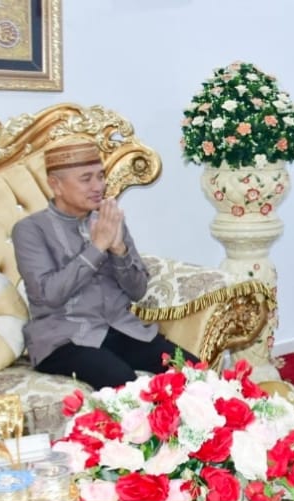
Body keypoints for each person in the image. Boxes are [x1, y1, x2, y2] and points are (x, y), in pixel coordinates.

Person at [13, 139, 199, 390]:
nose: (98, 186)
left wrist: (119, 250)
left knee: (195, 373)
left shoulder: (109, 219)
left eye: (100, 176)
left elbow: (138, 291)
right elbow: (49, 295)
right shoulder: (30, 230)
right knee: (123, 383)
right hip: (64, 339)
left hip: (122, 329)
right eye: (86, 179)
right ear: (56, 184)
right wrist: (97, 247)